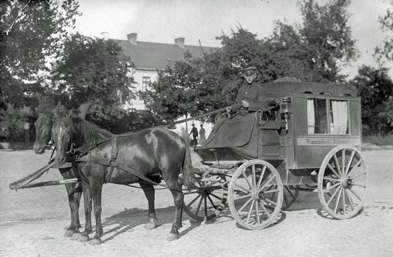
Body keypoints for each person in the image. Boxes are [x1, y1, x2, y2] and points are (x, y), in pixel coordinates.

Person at [196, 65, 269, 159]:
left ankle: (240, 148)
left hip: (252, 116)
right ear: (244, 76)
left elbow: (264, 105)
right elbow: (238, 104)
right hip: (241, 115)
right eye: (247, 76)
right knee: (222, 122)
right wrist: (231, 108)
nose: (249, 78)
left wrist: (249, 105)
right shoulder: (241, 90)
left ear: (255, 76)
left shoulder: (259, 89)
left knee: (241, 123)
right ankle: (218, 147)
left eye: (251, 76)